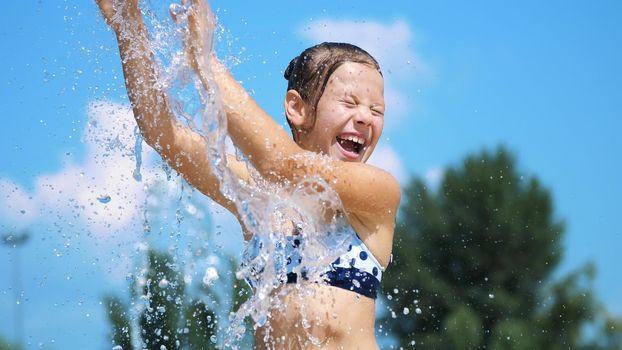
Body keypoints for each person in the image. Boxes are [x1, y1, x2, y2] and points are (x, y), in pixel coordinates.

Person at [96, 0, 400, 349]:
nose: (365, 117)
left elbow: (280, 163)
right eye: (350, 103)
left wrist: (205, 60)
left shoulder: (377, 195)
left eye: (377, 110)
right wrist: (127, 26)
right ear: (297, 108)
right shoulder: (262, 198)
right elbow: (163, 135)